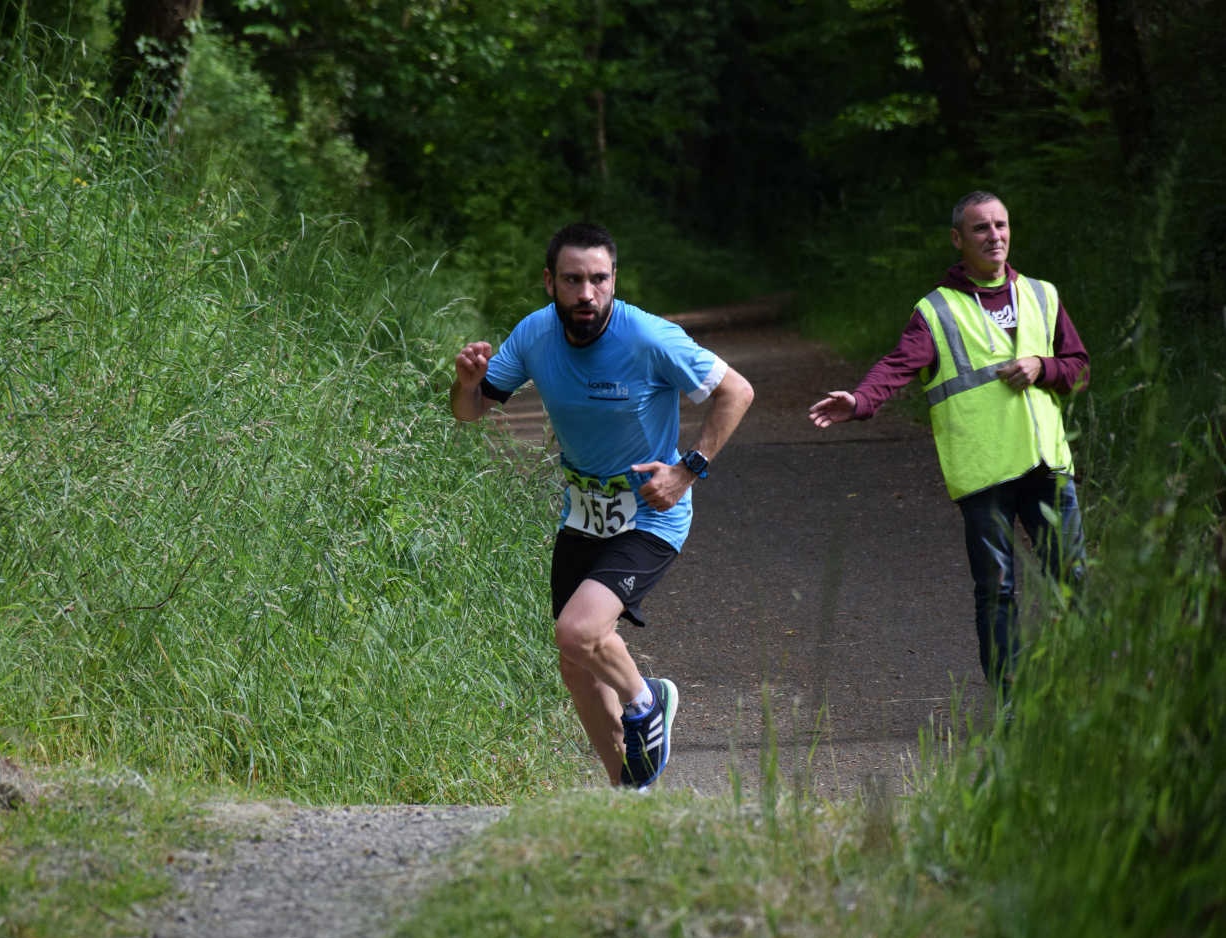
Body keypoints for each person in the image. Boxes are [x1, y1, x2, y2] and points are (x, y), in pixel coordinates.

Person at [451, 222, 754, 788]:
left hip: (652, 510)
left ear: (615, 279)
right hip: (584, 513)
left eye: (599, 279)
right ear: (550, 282)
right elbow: (470, 412)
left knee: (577, 632)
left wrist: (687, 470)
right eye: (572, 280)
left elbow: (736, 391)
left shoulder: (649, 337)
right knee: (576, 666)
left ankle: (646, 703)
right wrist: (466, 383)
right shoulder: (535, 334)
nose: (586, 293)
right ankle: (629, 789)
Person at [808, 191, 1089, 696]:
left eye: (1001, 225)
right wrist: (861, 400)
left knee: (1073, 580)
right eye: (981, 228)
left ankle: (1089, 693)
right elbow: (897, 366)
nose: (994, 236)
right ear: (957, 239)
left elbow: (1078, 369)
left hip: (1047, 466)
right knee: (997, 591)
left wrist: (1042, 366)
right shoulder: (936, 310)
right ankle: (1011, 700)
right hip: (984, 473)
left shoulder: (1042, 295)